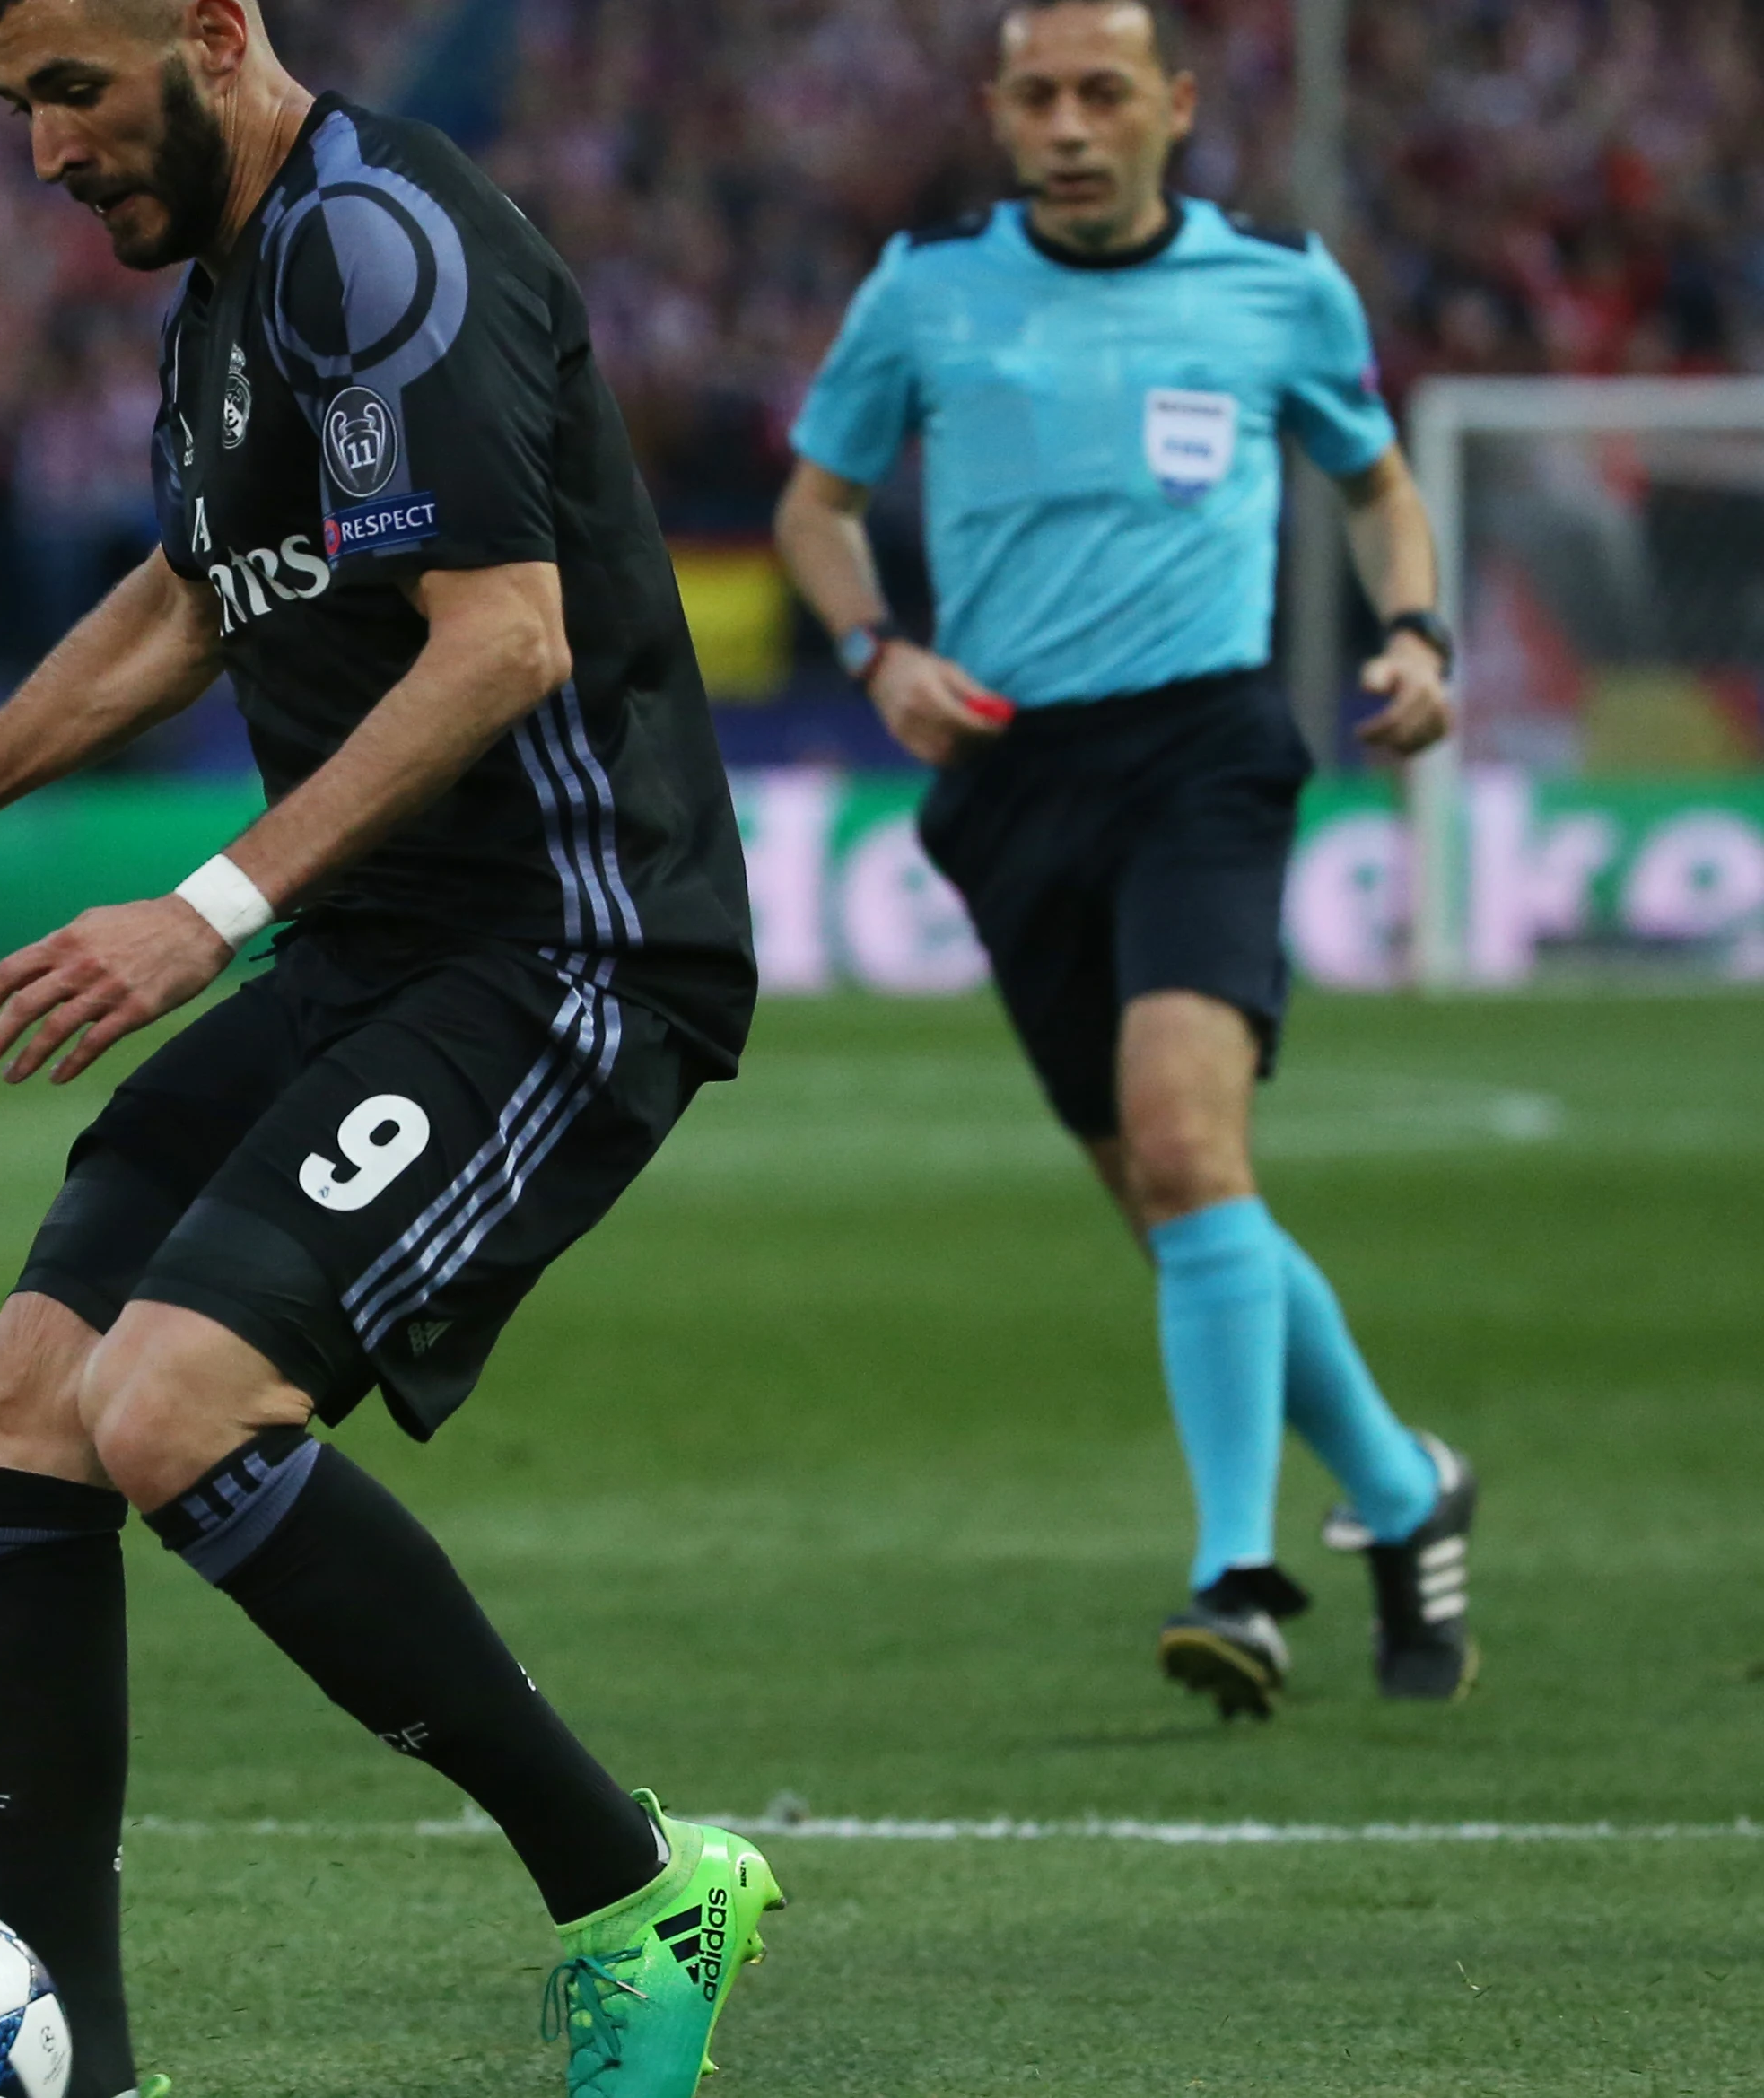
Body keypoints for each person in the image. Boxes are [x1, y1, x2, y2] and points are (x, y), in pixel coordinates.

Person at [0, 2, 778, 2090]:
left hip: (561, 942)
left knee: (171, 1399)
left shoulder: (376, 245)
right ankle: (77, 2069)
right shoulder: (223, 297)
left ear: (211, 30)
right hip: (380, 951)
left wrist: (204, 909)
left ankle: (635, 1883)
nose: (40, 153)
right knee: (9, 1417)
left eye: (71, 94)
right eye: (12, 107)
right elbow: (190, 603)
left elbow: (506, 637)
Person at [770, 0, 1477, 1721]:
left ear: (1170, 105)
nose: (1072, 124)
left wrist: (1417, 631)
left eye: (1104, 92)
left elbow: (1378, 482)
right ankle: (1401, 1489)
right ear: (1000, 115)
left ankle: (1239, 1575)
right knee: (1178, 1198)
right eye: (1039, 96)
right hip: (1013, 779)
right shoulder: (925, 290)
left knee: (1183, 1139)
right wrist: (878, 654)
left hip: (1206, 751)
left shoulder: (1278, 286)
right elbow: (814, 507)